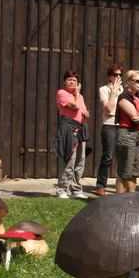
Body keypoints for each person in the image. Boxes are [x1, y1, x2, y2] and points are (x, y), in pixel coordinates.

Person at [53, 69, 90, 199]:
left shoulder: (80, 97)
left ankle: (76, 190)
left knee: (81, 160)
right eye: (69, 80)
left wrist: (86, 114)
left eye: (74, 80)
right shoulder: (62, 93)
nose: (72, 82)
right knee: (70, 159)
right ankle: (62, 189)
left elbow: (82, 111)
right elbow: (74, 106)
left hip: (80, 128)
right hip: (68, 128)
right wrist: (77, 93)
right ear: (64, 81)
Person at [114, 69, 139, 193]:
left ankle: (131, 199)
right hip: (127, 134)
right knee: (124, 170)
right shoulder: (123, 97)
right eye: (137, 81)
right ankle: (119, 201)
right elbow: (135, 118)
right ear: (128, 81)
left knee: (135, 170)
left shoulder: (138, 98)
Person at [94, 63, 122, 196]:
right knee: (108, 156)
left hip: (122, 126)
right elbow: (109, 109)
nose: (118, 77)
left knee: (123, 157)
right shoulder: (103, 90)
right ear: (110, 76)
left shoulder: (125, 90)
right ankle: (101, 185)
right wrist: (114, 93)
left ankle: (121, 186)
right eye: (115, 74)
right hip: (109, 126)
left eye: (120, 75)